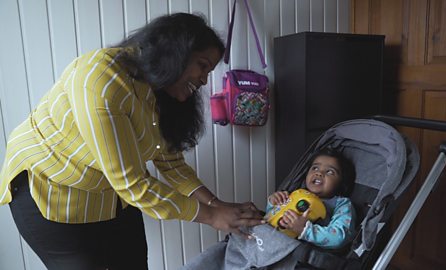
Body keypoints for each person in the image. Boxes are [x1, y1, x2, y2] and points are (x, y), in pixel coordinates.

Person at [0, 13, 264, 270]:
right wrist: (212, 217)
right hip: (50, 193)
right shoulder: (100, 80)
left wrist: (216, 205)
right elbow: (132, 183)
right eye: (203, 66)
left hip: (111, 193)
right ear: (177, 53)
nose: (205, 79)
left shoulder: (161, 91)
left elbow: (170, 162)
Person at [266, 147, 356, 249]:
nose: (319, 173)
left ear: (341, 183)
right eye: (315, 168)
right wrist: (273, 203)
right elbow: (271, 219)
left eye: (330, 172)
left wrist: (305, 230)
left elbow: (339, 237)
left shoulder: (341, 204)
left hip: (300, 253)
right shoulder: (297, 193)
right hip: (271, 239)